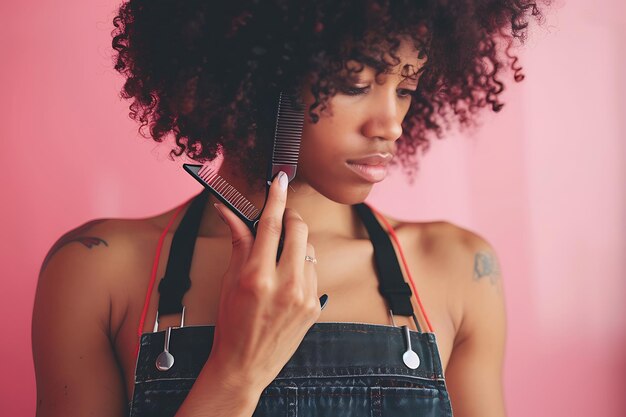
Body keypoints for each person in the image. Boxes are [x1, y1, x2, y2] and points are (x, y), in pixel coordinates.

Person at [32, 1, 544, 416]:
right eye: (356, 85)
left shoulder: (457, 268)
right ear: (252, 83)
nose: (390, 125)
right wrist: (237, 372)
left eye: (406, 88)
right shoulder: (96, 271)